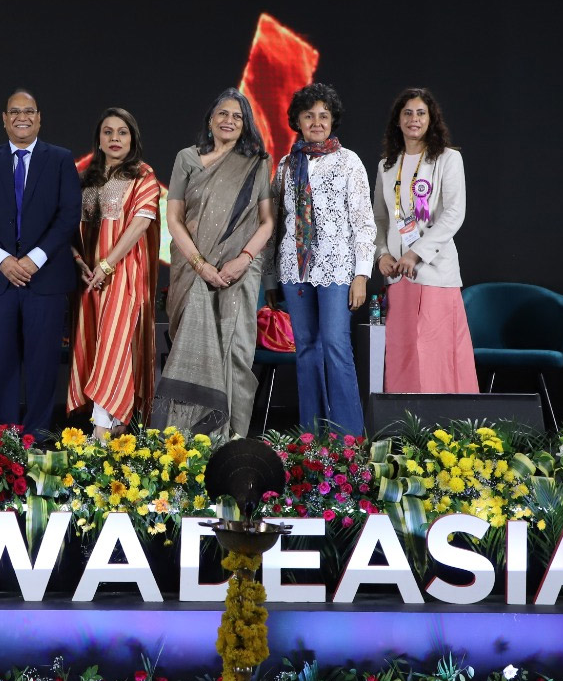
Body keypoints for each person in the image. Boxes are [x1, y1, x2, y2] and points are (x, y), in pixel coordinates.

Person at [152, 88, 275, 439]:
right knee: (192, 350)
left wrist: (243, 259)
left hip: (239, 271)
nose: (229, 121)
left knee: (236, 351)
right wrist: (200, 264)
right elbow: (173, 218)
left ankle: (232, 440)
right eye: (223, 114)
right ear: (210, 120)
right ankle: (188, 440)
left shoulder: (257, 162)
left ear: (245, 124)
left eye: (237, 116)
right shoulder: (187, 159)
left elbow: (267, 221)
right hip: (193, 271)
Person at [0, 90, 82, 437]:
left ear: (39, 118)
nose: (22, 117)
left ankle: (37, 436)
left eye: (29, 111)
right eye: (14, 112)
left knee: (43, 362)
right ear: (4, 119)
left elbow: (68, 215)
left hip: (45, 278)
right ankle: (3, 438)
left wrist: (34, 259)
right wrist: (2, 260)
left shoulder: (60, 159)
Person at [270, 82, 375, 436]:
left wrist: (361, 275)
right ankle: (311, 438)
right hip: (294, 269)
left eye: (324, 116)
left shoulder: (348, 162)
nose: (317, 122)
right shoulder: (286, 165)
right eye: (309, 115)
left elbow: (363, 222)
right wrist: (270, 278)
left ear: (333, 121)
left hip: (337, 268)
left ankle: (349, 439)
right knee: (306, 349)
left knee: (335, 344)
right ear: (297, 121)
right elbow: (276, 225)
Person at [372, 86, 479, 394]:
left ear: (431, 119)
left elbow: (454, 214)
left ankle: (444, 422)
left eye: (421, 113)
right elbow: (379, 218)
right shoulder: (386, 165)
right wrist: (382, 254)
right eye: (407, 113)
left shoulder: (448, 159)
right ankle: (403, 420)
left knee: (437, 356)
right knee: (402, 354)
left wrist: (416, 253)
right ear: (398, 120)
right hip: (398, 275)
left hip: (435, 273)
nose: (414, 119)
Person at [67, 108, 162, 441]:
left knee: (115, 342)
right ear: (98, 139)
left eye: (122, 132)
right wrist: (78, 260)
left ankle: (102, 428)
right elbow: (67, 225)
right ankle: (113, 422)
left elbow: (140, 223)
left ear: (132, 138)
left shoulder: (143, 175)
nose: (115, 138)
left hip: (123, 271)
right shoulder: (85, 178)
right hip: (88, 277)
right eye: (108, 132)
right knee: (94, 344)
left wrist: (107, 264)